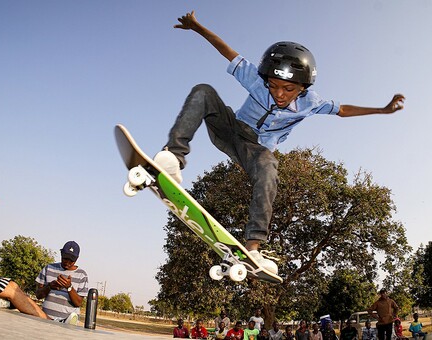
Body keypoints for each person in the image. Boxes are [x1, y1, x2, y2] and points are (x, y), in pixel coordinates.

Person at [153, 10, 406, 273]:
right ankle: (173, 157)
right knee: (204, 91)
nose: (279, 94)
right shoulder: (255, 79)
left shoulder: (312, 102)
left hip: (256, 150)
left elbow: (342, 110)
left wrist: (381, 109)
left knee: (269, 167)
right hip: (231, 129)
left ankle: (253, 248)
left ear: (302, 88)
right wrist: (197, 27)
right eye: (273, 86)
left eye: (288, 89)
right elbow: (227, 51)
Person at [35, 240, 88, 325]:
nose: (67, 262)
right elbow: (38, 295)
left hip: (68, 323)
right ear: (61, 254)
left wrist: (69, 287)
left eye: (71, 260)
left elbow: (78, 303)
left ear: (76, 259)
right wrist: (49, 287)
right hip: (45, 318)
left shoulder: (82, 275)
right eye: (65, 258)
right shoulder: (49, 268)